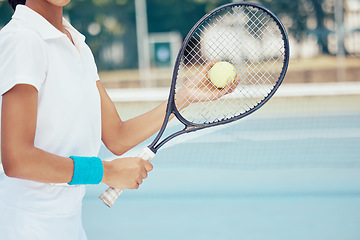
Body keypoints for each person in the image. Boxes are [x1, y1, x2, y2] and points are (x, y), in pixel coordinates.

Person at [0, 0, 236, 239]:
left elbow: (117, 136)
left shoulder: (76, 43)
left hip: (69, 225)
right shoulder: (23, 39)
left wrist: (183, 97)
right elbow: (18, 160)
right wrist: (106, 171)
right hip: (23, 225)